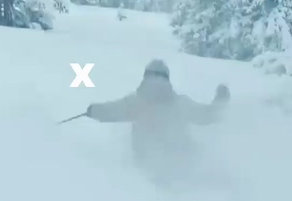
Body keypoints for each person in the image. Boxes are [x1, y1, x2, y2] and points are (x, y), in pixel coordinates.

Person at [83, 59, 231, 186]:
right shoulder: (180, 103)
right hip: (181, 162)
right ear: (167, 78)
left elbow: (111, 111)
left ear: (146, 77)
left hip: (146, 163)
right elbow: (207, 116)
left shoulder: (135, 102)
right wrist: (220, 101)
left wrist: (93, 110)